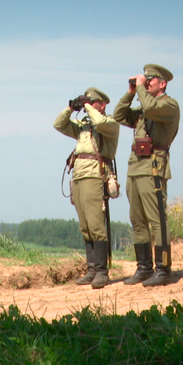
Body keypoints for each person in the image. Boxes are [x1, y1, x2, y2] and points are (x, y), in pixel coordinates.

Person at [113, 64, 180, 287]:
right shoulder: (144, 106)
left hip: (153, 167)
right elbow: (119, 114)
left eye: (151, 80)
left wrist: (141, 90)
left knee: (157, 219)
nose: (147, 83)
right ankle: (144, 268)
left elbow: (151, 109)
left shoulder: (168, 105)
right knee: (137, 220)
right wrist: (131, 93)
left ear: (163, 83)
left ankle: (163, 269)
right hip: (135, 167)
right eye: (145, 79)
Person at [54, 87, 120, 289]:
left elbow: (99, 121)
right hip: (79, 176)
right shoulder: (84, 127)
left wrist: (88, 106)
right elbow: (59, 124)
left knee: (96, 224)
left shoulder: (108, 123)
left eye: (92, 102)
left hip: (94, 175)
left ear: (102, 104)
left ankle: (101, 271)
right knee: (85, 226)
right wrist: (70, 108)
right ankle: (92, 269)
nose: (87, 107)